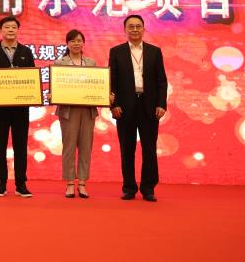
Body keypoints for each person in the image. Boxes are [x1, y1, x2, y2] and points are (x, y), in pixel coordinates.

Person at [109, 14, 168, 203]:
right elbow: (111, 81)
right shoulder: (116, 52)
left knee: (149, 149)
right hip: (124, 107)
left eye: (138, 26)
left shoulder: (154, 52)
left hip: (149, 106)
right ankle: (129, 188)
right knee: (127, 149)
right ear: (125, 29)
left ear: (143, 29)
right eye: (131, 26)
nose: (134, 29)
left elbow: (161, 80)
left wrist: (161, 104)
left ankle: (148, 188)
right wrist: (114, 105)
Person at [0, 15, 35, 197]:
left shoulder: (26, 52)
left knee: (21, 146)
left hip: (20, 108)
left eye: (14, 27)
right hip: (0, 108)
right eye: (7, 27)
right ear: (1, 30)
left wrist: (33, 94)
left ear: (18, 30)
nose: (11, 30)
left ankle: (21, 184)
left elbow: (32, 77)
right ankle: (1, 183)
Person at [53, 29, 98, 199]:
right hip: (68, 110)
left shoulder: (91, 63)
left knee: (86, 147)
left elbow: (97, 84)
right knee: (69, 147)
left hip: (88, 109)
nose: (76, 43)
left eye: (79, 40)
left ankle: (83, 183)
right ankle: (70, 183)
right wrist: (53, 94)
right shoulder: (60, 63)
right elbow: (56, 85)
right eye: (72, 41)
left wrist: (105, 94)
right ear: (67, 43)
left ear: (83, 43)